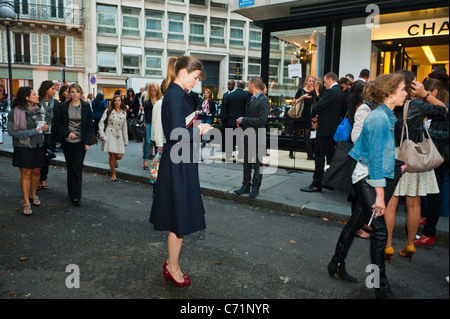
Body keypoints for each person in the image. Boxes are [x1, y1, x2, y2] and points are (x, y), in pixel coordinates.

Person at [328, 73, 408, 299]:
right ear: (390, 94)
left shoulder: (385, 115)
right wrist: (380, 196)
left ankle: (336, 262)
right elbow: (372, 158)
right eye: (403, 89)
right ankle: (380, 286)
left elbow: (379, 153)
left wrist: (393, 164)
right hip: (366, 177)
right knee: (380, 230)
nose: (406, 93)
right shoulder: (379, 118)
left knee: (357, 221)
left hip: (368, 175)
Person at [149, 56, 212, 288]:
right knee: (179, 218)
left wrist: (195, 125)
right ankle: (172, 267)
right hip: (178, 164)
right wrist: (201, 130)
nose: (196, 83)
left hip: (180, 161)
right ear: (184, 72)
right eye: (195, 78)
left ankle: (171, 264)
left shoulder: (177, 94)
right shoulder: (175, 96)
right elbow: (176, 133)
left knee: (180, 218)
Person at [384, 70, 447, 262]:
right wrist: (425, 94)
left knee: (391, 204)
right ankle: (410, 243)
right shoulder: (418, 105)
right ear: (412, 85)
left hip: (391, 155)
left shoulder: (387, 103)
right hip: (413, 157)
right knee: (414, 204)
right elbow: (444, 109)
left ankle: (387, 245)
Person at [301, 72, 347, 192]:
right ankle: (329, 182)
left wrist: (313, 116)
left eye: (325, 82)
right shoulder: (341, 93)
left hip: (325, 129)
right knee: (331, 157)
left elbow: (318, 106)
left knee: (319, 155)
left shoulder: (331, 92)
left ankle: (317, 183)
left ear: (330, 79)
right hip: (334, 130)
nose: (324, 84)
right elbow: (342, 111)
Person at [416, 78, 449, 245]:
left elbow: (447, 135)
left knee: (434, 194)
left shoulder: (445, 108)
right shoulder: (438, 107)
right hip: (432, 154)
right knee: (429, 191)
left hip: (439, 157)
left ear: (433, 92)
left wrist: (428, 131)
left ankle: (430, 232)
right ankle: (426, 218)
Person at [8, 87, 48, 215]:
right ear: (27, 97)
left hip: (38, 145)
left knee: (37, 172)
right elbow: (11, 132)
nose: (37, 96)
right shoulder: (15, 112)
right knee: (26, 174)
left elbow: (41, 127)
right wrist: (33, 131)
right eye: (34, 94)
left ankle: (33, 194)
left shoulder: (38, 110)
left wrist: (45, 128)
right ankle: (26, 202)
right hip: (23, 147)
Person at [53, 83, 94, 206]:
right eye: (72, 92)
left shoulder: (86, 106)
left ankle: (76, 196)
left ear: (81, 93)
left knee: (77, 166)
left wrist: (87, 142)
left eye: (77, 91)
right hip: (67, 141)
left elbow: (89, 126)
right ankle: (71, 192)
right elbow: (58, 124)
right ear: (69, 93)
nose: (75, 94)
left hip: (80, 142)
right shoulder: (63, 106)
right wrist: (67, 133)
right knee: (70, 166)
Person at [234, 76, 270, 199]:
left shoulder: (264, 100)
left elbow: (262, 120)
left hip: (258, 136)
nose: (248, 87)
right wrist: (242, 122)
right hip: (248, 134)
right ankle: (245, 186)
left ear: (253, 85)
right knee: (247, 163)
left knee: (258, 164)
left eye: (249, 84)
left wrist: (244, 119)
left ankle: (255, 188)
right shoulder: (251, 99)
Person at [98, 95, 128, 182]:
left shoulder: (124, 112)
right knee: (112, 155)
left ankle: (115, 161)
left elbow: (124, 127)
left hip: (119, 135)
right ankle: (113, 174)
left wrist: (126, 140)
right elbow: (101, 122)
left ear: (121, 102)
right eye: (115, 100)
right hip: (110, 133)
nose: (117, 102)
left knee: (119, 156)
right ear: (113, 102)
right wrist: (102, 134)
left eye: (119, 100)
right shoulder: (109, 110)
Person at [289, 75, 319, 160]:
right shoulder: (301, 90)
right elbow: (293, 103)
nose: (311, 83)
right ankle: (291, 152)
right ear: (306, 82)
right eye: (310, 81)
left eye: (312, 81)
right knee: (297, 135)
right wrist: (302, 97)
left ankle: (309, 155)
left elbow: (316, 102)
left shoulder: (312, 93)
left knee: (307, 135)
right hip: (300, 116)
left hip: (307, 116)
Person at [37, 80, 58, 190]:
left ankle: (43, 179)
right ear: (46, 89)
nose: (55, 91)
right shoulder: (37, 101)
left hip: (50, 133)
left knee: (47, 157)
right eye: (52, 89)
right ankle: (36, 179)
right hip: (38, 131)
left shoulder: (55, 102)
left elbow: (57, 120)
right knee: (38, 156)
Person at [221, 80, 250, 159]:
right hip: (241, 120)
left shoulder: (229, 95)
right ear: (244, 86)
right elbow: (248, 108)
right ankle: (241, 154)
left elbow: (226, 109)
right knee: (241, 138)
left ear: (236, 85)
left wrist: (226, 119)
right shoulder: (246, 95)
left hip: (231, 120)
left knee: (231, 138)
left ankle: (229, 154)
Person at [141, 82, 162, 170]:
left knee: (158, 143)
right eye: (151, 90)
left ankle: (157, 162)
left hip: (158, 123)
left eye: (155, 90)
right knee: (148, 142)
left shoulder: (160, 99)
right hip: (149, 122)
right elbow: (145, 111)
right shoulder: (145, 98)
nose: (153, 92)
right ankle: (145, 161)